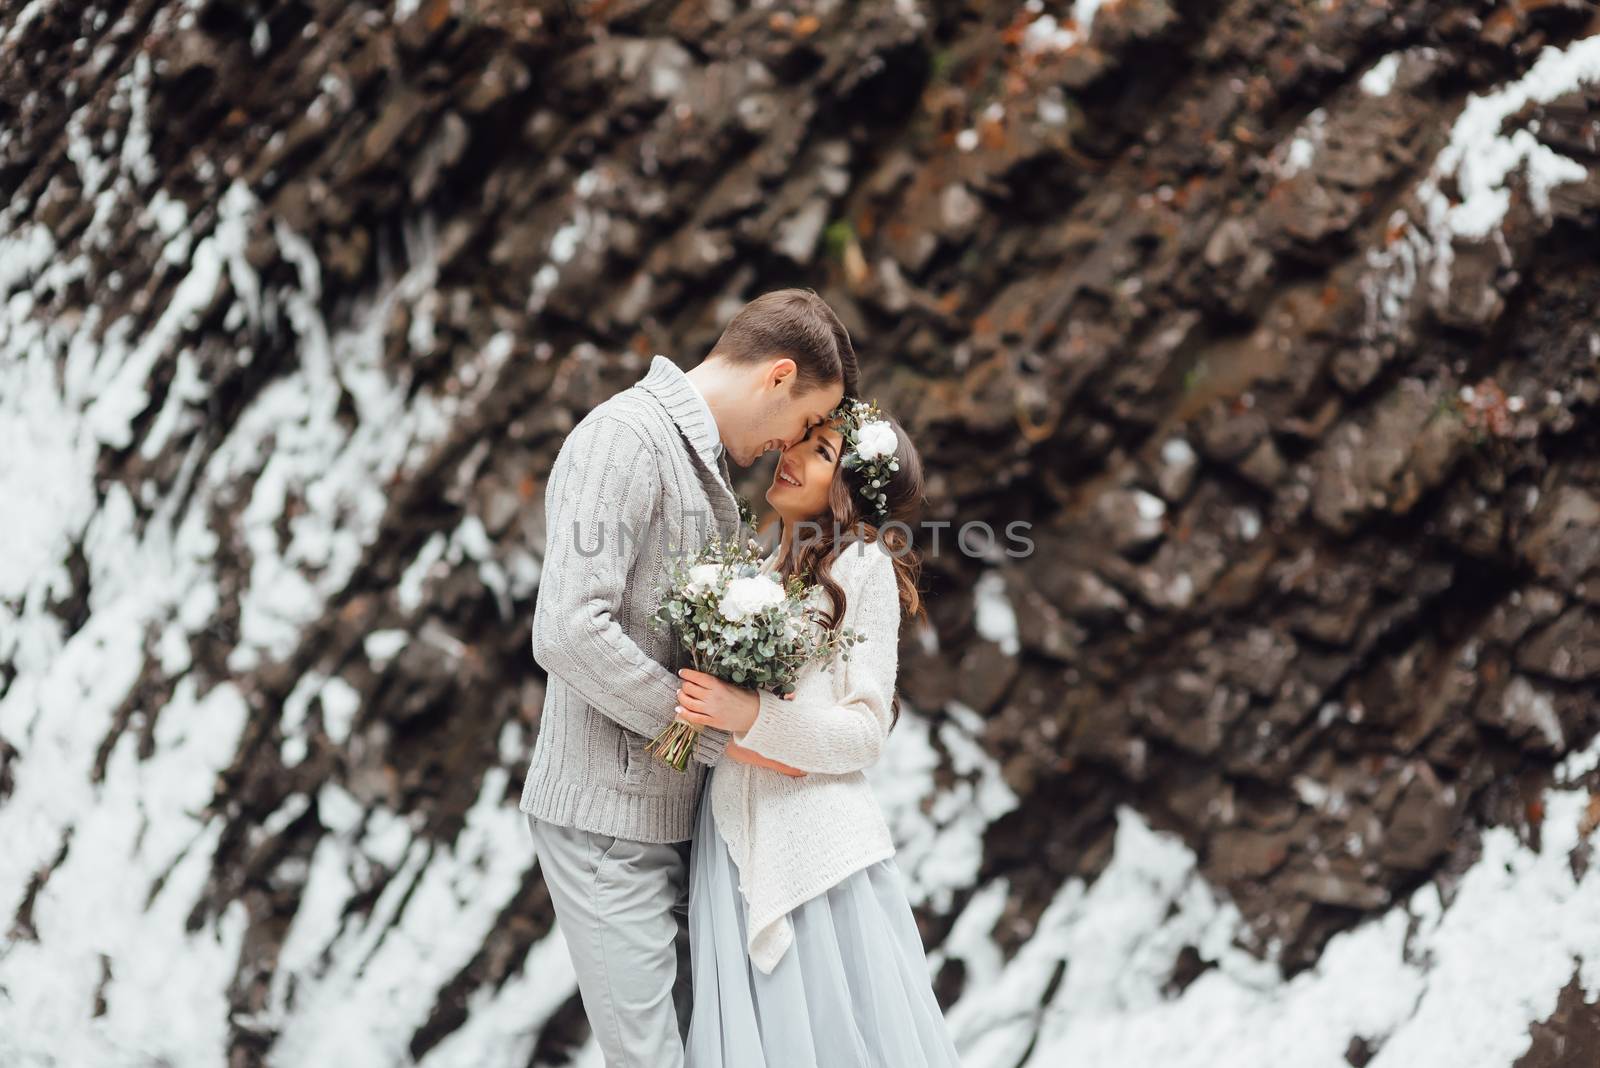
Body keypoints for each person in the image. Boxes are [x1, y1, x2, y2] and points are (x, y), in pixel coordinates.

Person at [520, 289, 858, 1067]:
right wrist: (715, 737)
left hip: (667, 819)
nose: (789, 447)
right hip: (609, 818)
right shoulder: (624, 440)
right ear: (777, 377)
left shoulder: (692, 459)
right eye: (803, 425)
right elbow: (568, 629)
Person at [671, 400, 964, 1067]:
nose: (792, 454)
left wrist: (749, 717)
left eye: (822, 452)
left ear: (851, 495)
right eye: (800, 438)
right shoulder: (751, 569)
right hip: (733, 840)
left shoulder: (863, 564)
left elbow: (864, 732)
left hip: (814, 850)